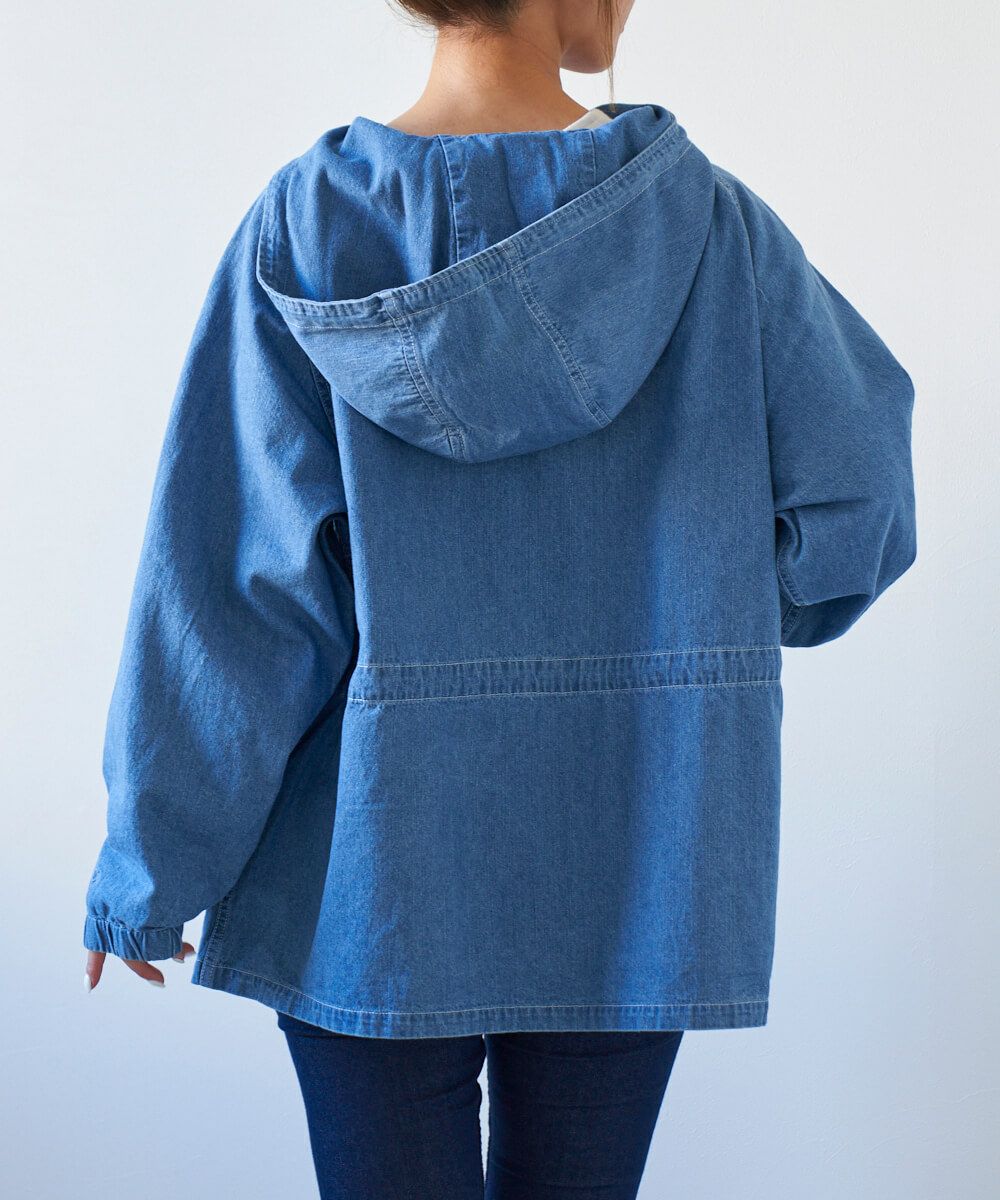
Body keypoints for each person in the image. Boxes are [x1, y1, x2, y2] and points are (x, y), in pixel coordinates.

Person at [81, 0, 917, 1196]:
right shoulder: (709, 226)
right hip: (641, 843)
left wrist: (149, 868)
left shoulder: (307, 228)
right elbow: (857, 502)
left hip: (371, 867)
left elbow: (232, 588)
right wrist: (715, 608)